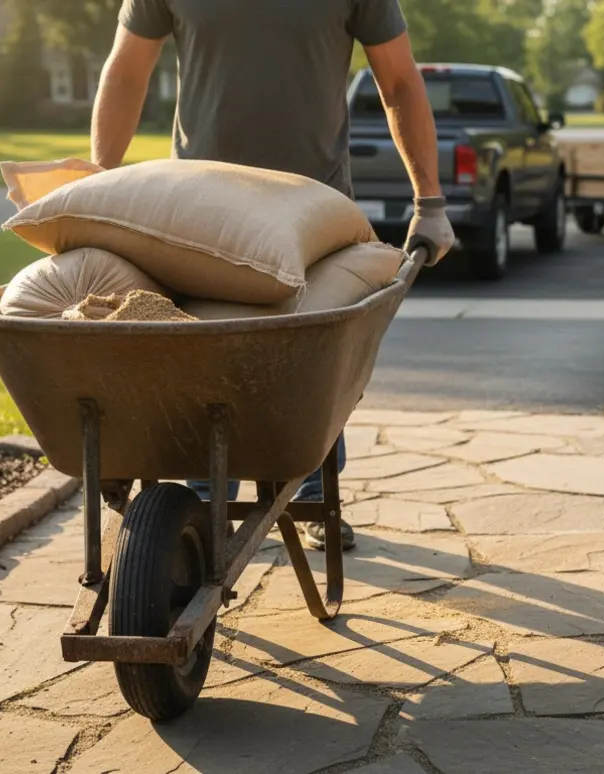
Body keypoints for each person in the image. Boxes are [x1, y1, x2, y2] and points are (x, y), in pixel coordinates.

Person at [91, 0, 455, 551]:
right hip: (198, 210)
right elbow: (126, 69)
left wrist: (429, 200)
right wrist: (100, 181)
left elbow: (399, 81)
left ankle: (310, 488)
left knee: (308, 359)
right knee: (204, 349)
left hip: (316, 210)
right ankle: (203, 496)